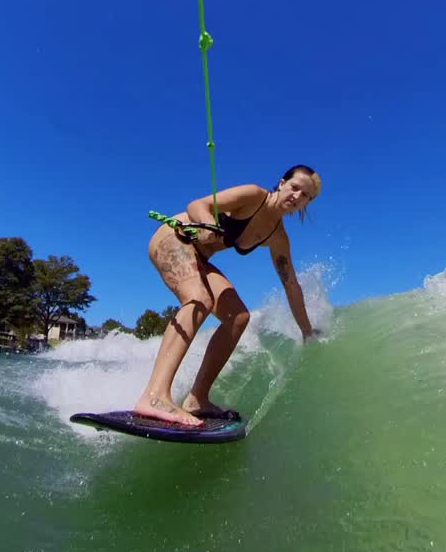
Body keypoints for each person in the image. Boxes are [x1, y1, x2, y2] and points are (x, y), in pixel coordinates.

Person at [134, 164, 321, 426]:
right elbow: (197, 205)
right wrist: (208, 224)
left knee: (238, 316)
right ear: (281, 183)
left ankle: (197, 398)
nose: (297, 197)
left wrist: (307, 331)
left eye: (306, 197)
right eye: (295, 187)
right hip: (175, 238)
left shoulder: (277, 237)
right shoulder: (253, 195)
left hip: (199, 259)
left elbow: (291, 285)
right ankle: (154, 397)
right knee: (199, 299)